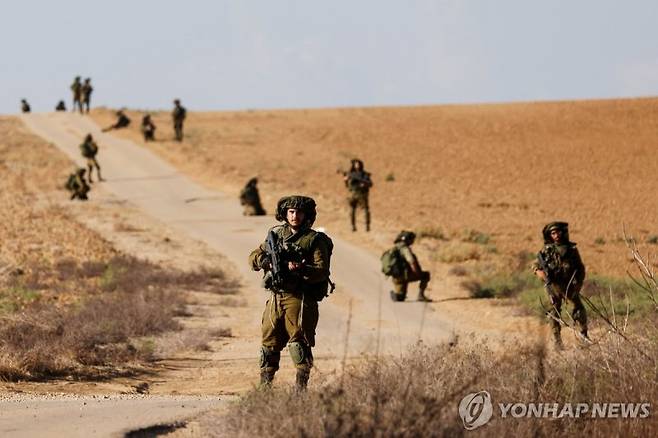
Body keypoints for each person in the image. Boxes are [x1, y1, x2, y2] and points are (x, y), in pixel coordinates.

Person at [249, 196, 334, 390]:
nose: (295, 216)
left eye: (299, 212)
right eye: (291, 212)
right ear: (285, 214)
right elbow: (253, 256)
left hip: (299, 298)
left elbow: (321, 271)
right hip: (276, 297)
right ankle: (265, 387)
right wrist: (266, 262)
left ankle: (300, 389)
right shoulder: (276, 236)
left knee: (298, 343)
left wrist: (299, 269)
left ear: (307, 215)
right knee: (268, 342)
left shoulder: (314, 240)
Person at [532, 221, 588, 348]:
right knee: (554, 312)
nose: (556, 235)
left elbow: (580, 268)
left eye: (558, 232)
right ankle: (557, 341)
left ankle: (583, 335)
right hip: (553, 286)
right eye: (553, 233)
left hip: (569, 285)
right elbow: (535, 265)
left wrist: (578, 283)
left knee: (579, 309)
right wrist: (538, 271)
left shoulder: (571, 250)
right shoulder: (546, 251)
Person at [388, 231, 431, 302]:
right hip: (404, 276)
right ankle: (421, 296)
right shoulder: (405, 249)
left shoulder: (394, 248)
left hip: (396, 278)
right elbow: (411, 261)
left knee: (400, 298)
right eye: (411, 239)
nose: (412, 241)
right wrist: (417, 272)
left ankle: (398, 295)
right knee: (426, 275)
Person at [343, 159, 372, 232]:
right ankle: (353, 226)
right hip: (353, 194)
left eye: (358, 164)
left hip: (362, 194)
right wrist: (346, 180)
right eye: (356, 164)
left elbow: (370, 183)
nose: (357, 166)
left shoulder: (364, 174)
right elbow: (347, 186)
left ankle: (367, 225)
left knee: (366, 210)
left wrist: (364, 184)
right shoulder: (351, 174)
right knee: (352, 210)